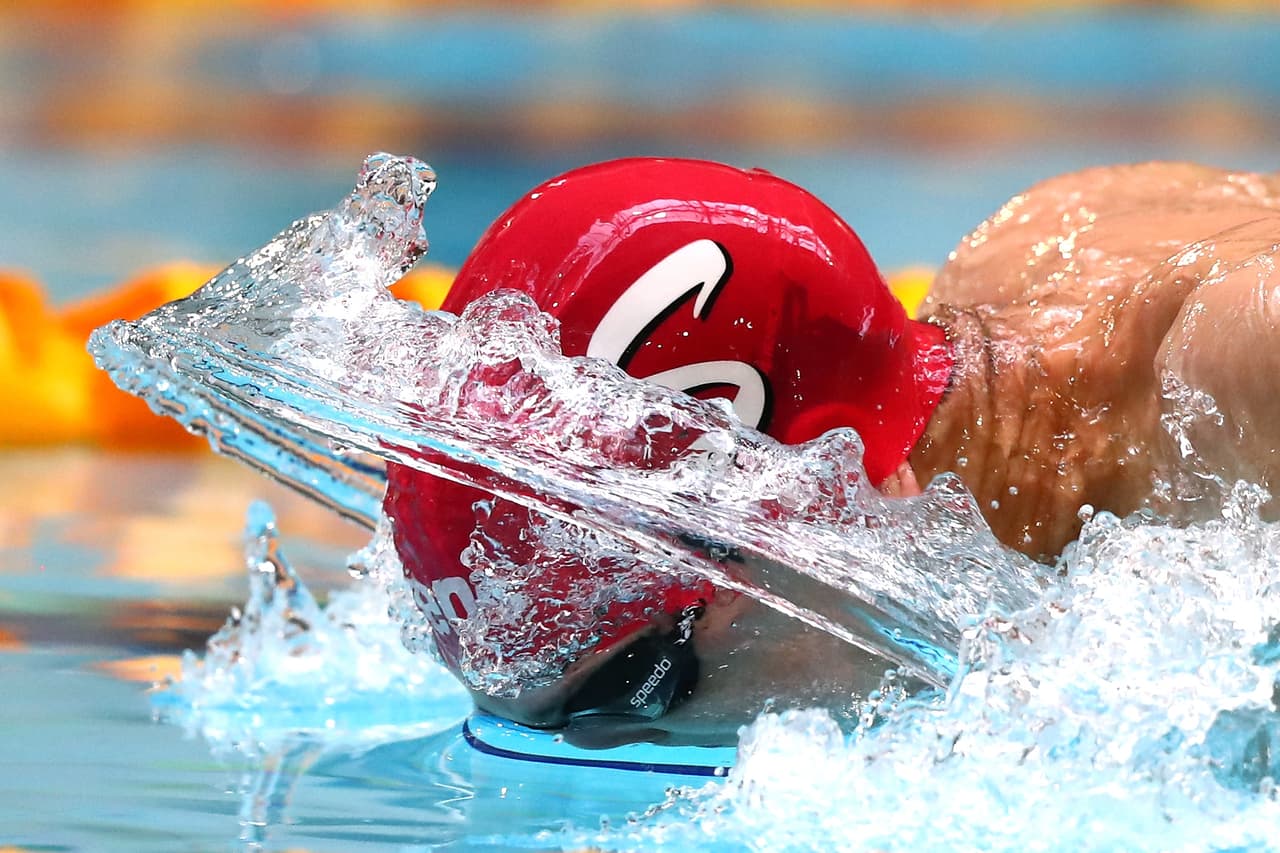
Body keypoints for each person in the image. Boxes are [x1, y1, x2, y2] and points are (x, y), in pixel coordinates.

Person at [382, 158, 1280, 745]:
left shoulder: (1245, 379)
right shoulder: (1033, 245)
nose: (606, 746)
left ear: (806, 516)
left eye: (634, 687)